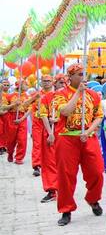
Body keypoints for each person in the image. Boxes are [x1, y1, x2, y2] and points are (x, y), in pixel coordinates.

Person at [51, 64, 105, 227]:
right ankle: (66, 210)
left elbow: (99, 116)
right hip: (67, 139)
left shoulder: (94, 95)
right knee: (66, 176)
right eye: (80, 74)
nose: (83, 77)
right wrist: (78, 93)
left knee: (97, 171)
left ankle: (93, 198)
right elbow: (66, 111)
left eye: (85, 74)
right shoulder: (60, 95)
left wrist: (88, 131)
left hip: (87, 138)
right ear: (71, 77)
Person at [36, 74, 58, 203]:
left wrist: (58, 119)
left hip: (64, 134)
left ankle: (62, 187)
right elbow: (42, 114)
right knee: (49, 162)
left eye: (49, 81)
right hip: (49, 132)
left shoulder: (67, 96)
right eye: (44, 81)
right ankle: (52, 189)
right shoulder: (42, 97)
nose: (46, 83)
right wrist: (50, 132)